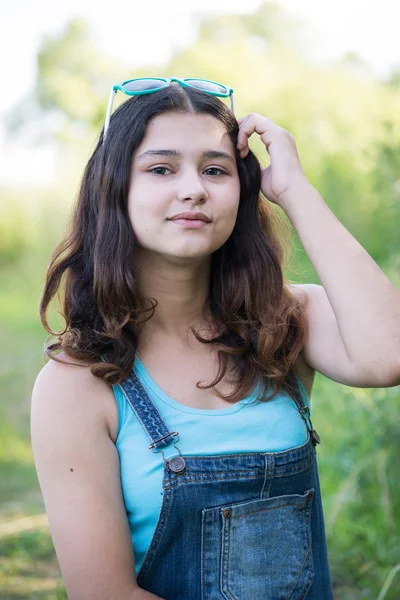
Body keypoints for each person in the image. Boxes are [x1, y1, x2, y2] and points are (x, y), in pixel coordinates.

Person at [30, 78, 400, 600]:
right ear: (114, 188)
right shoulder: (77, 383)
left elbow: (390, 355)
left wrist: (296, 192)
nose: (194, 189)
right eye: (161, 169)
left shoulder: (286, 322)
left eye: (215, 169)